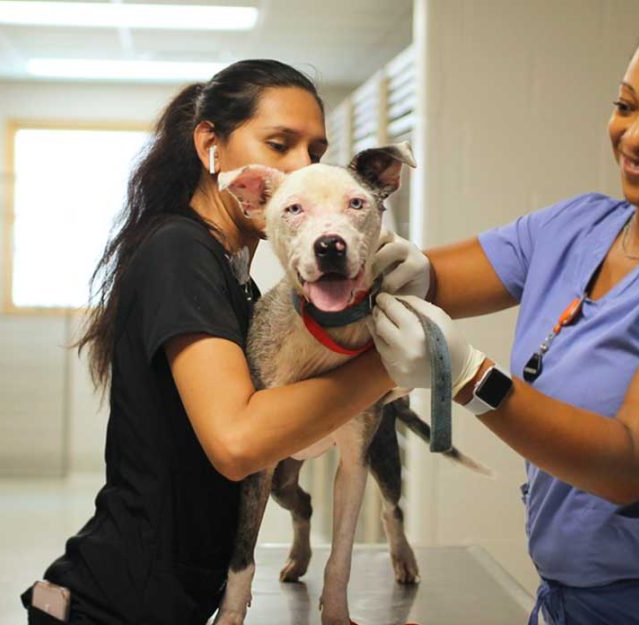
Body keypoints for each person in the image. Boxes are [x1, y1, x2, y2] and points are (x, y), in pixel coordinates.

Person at [369, 1, 639, 623]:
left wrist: (468, 378)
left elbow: (630, 463)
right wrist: (358, 250)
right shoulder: (578, 226)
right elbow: (429, 278)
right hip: (580, 603)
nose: (635, 135)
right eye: (626, 105)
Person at [21, 60, 395, 625]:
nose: (301, 167)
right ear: (211, 148)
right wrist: (390, 364)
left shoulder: (231, 267)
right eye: (278, 143)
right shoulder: (180, 252)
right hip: (116, 606)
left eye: (315, 152)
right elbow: (238, 443)